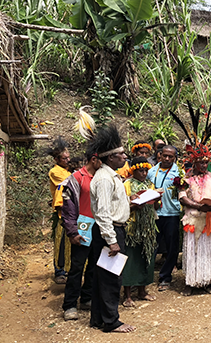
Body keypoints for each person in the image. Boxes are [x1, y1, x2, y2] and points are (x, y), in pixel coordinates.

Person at [87, 125, 135, 333]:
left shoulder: (110, 176)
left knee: (102, 277)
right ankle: (111, 321)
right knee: (111, 278)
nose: (125, 156)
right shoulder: (105, 179)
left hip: (112, 230)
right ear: (111, 158)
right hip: (110, 232)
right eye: (120, 154)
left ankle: (98, 318)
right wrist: (112, 239)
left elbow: (111, 207)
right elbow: (103, 213)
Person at [61, 151, 101, 321]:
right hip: (82, 228)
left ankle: (86, 298)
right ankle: (70, 305)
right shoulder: (76, 178)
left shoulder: (102, 177)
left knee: (94, 265)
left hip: (98, 229)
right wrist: (72, 231)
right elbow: (68, 207)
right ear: (94, 160)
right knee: (77, 267)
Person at [179, 143, 211, 296]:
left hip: (209, 219)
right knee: (193, 250)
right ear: (194, 162)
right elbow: (183, 199)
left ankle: (207, 280)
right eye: (201, 162)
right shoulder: (186, 178)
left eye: (206, 162)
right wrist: (199, 206)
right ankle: (190, 282)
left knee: (208, 251)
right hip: (193, 219)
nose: (204, 165)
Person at [122, 157, 157, 307]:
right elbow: (122, 206)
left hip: (148, 227)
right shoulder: (126, 184)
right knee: (131, 260)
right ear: (133, 170)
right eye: (140, 170)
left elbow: (155, 204)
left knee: (146, 257)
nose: (143, 173)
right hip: (132, 228)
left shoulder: (149, 184)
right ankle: (127, 295)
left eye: (145, 171)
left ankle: (142, 290)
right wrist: (134, 205)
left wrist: (156, 199)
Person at [147, 145, 182, 291]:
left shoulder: (179, 172)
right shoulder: (151, 171)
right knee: (151, 246)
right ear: (159, 155)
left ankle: (165, 277)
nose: (167, 159)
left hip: (172, 214)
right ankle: (146, 277)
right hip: (154, 214)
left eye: (171, 157)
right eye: (165, 155)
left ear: (175, 158)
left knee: (171, 247)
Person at [48, 137, 72, 284]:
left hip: (71, 210)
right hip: (62, 212)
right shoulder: (55, 172)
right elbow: (71, 181)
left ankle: (67, 268)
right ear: (57, 159)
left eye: (69, 157)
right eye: (64, 158)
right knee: (60, 241)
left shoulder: (66, 170)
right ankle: (59, 270)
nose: (68, 160)